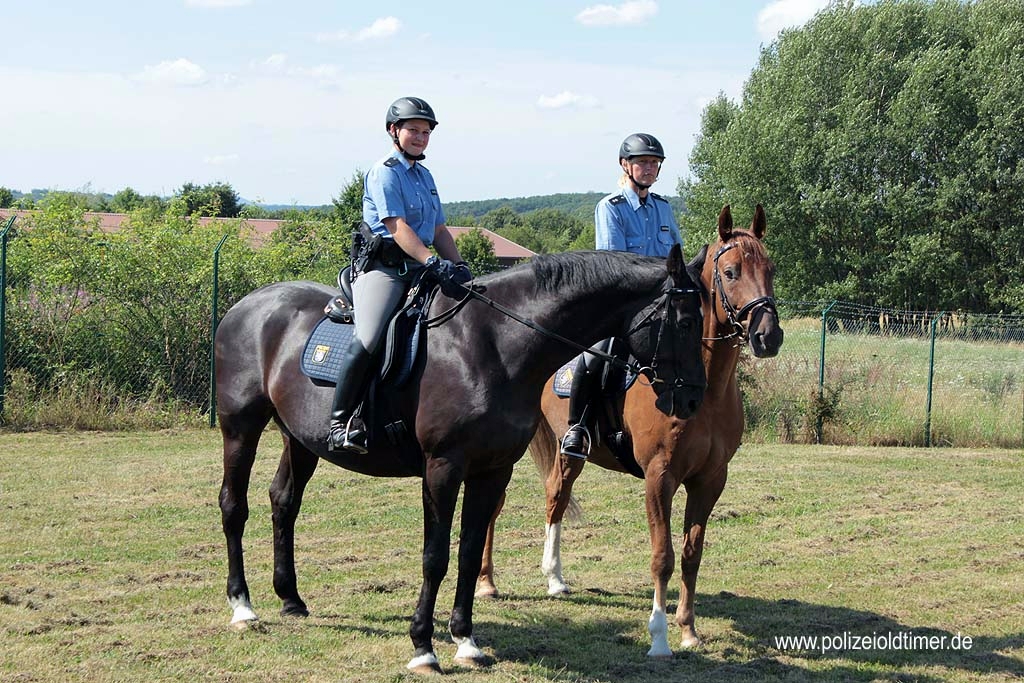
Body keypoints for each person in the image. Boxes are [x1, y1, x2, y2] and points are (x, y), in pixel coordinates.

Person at [328, 96, 472, 454]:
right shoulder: (385, 171)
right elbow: (396, 226)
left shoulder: (425, 176)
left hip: (421, 270)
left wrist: (458, 264)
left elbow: (438, 229)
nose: (421, 137)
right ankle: (340, 422)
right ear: (394, 131)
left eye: (426, 132)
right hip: (386, 271)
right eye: (413, 130)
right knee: (370, 335)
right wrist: (431, 261)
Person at [560, 132, 683, 458]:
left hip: (663, 304)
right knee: (596, 353)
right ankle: (578, 427)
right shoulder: (610, 208)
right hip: (622, 304)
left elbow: (676, 256)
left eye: (654, 163)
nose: (649, 168)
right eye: (642, 162)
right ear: (625, 165)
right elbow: (616, 265)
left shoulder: (663, 208)